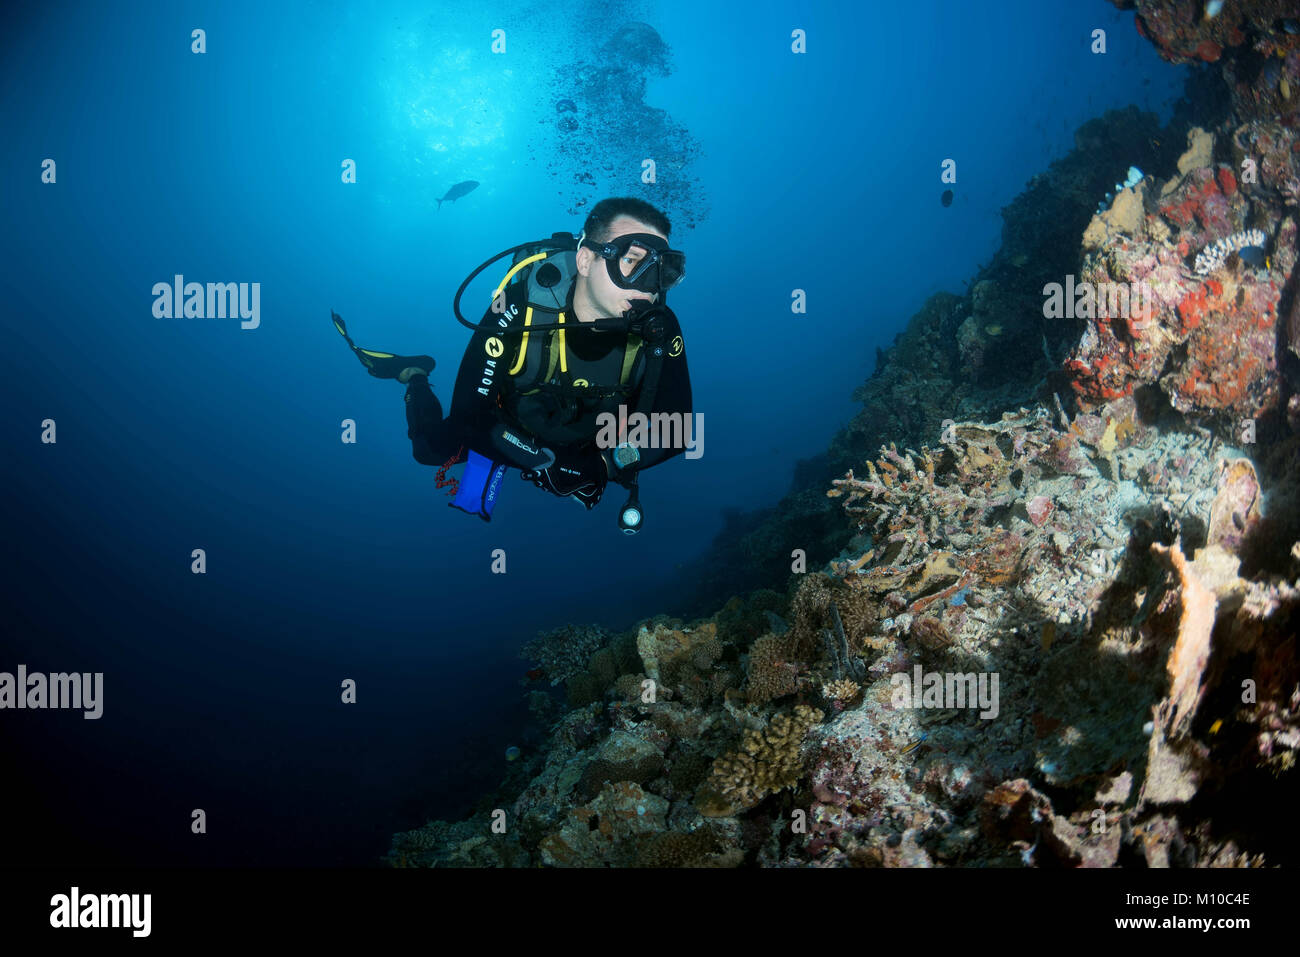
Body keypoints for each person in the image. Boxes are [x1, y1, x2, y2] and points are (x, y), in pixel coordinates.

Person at [334, 197, 692, 527]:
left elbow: (680, 429)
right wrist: (545, 462)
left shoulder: (659, 327)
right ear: (586, 259)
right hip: (511, 423)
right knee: (429, 451)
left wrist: (602, 465)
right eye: (632, 260)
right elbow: (469, 416)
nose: (649, 288)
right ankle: (414, 375)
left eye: (664, 270)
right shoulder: (518, 305)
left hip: (589, 436)